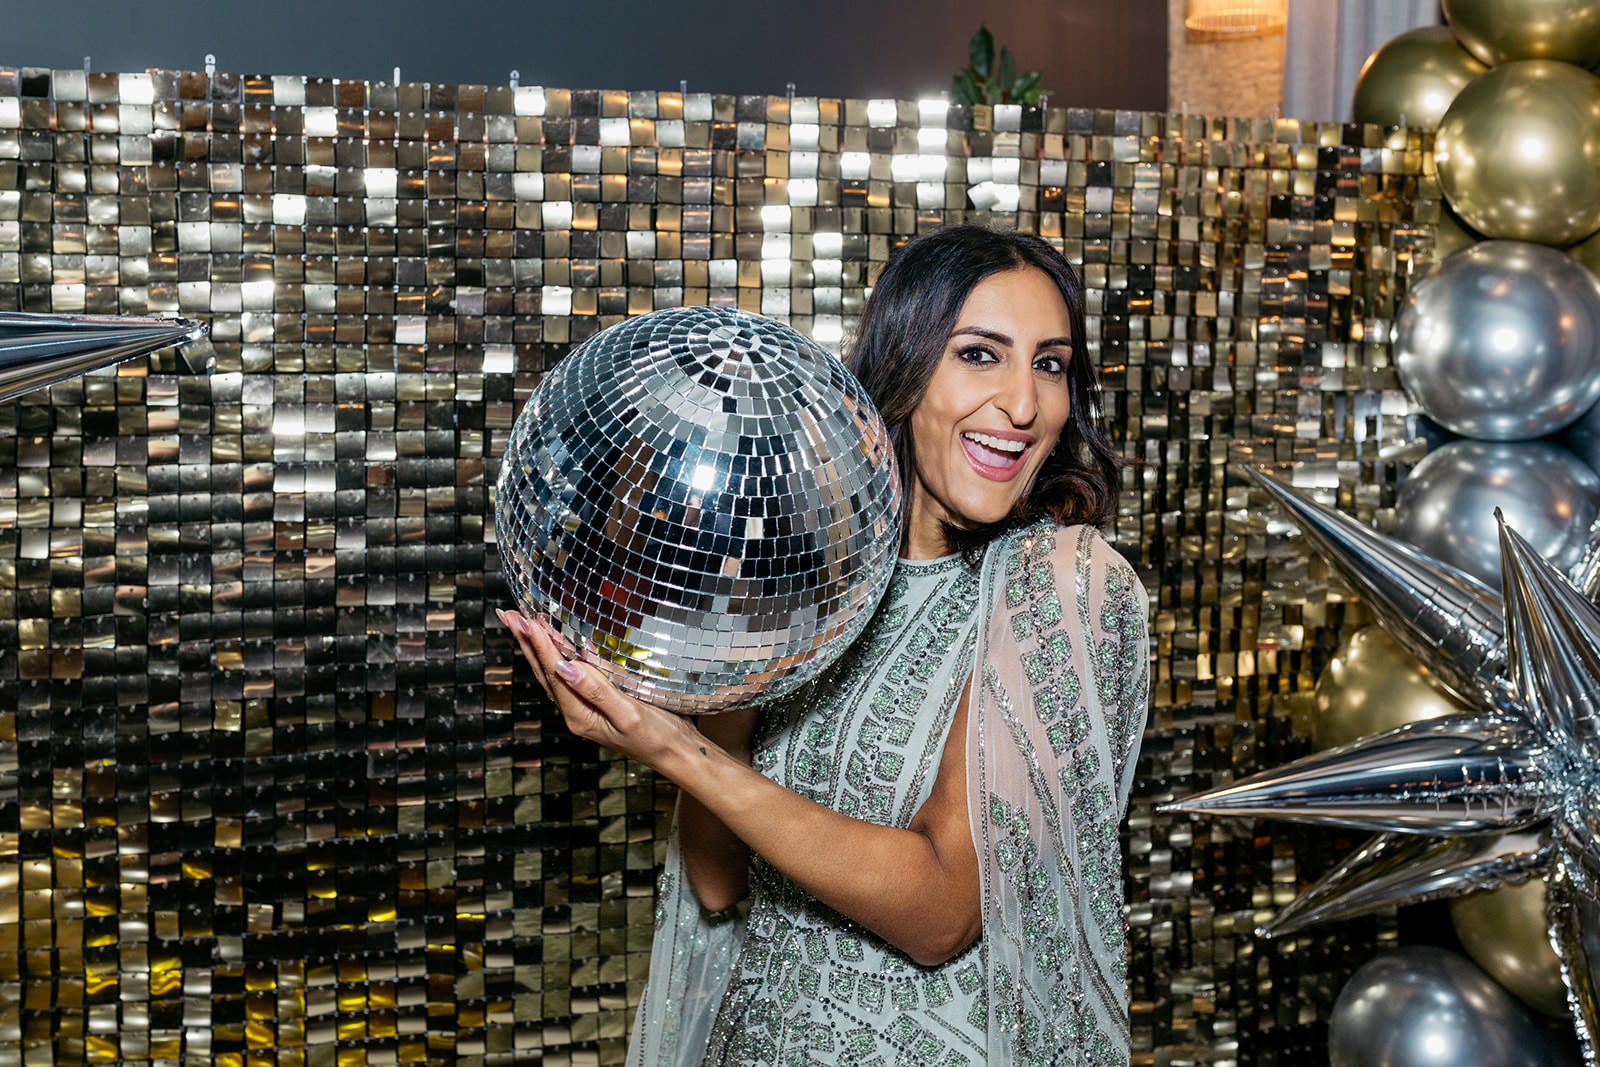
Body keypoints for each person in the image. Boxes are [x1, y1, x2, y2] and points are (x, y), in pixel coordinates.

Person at [500, 225, 1151, 1065]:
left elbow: (943, 911)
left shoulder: (1060, 583)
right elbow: (719, 882)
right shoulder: (811, 584)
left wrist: (674, 749)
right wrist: (711, 677)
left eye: (1051, 363)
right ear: (906, 365)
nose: (1023, 403)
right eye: (981, 355)